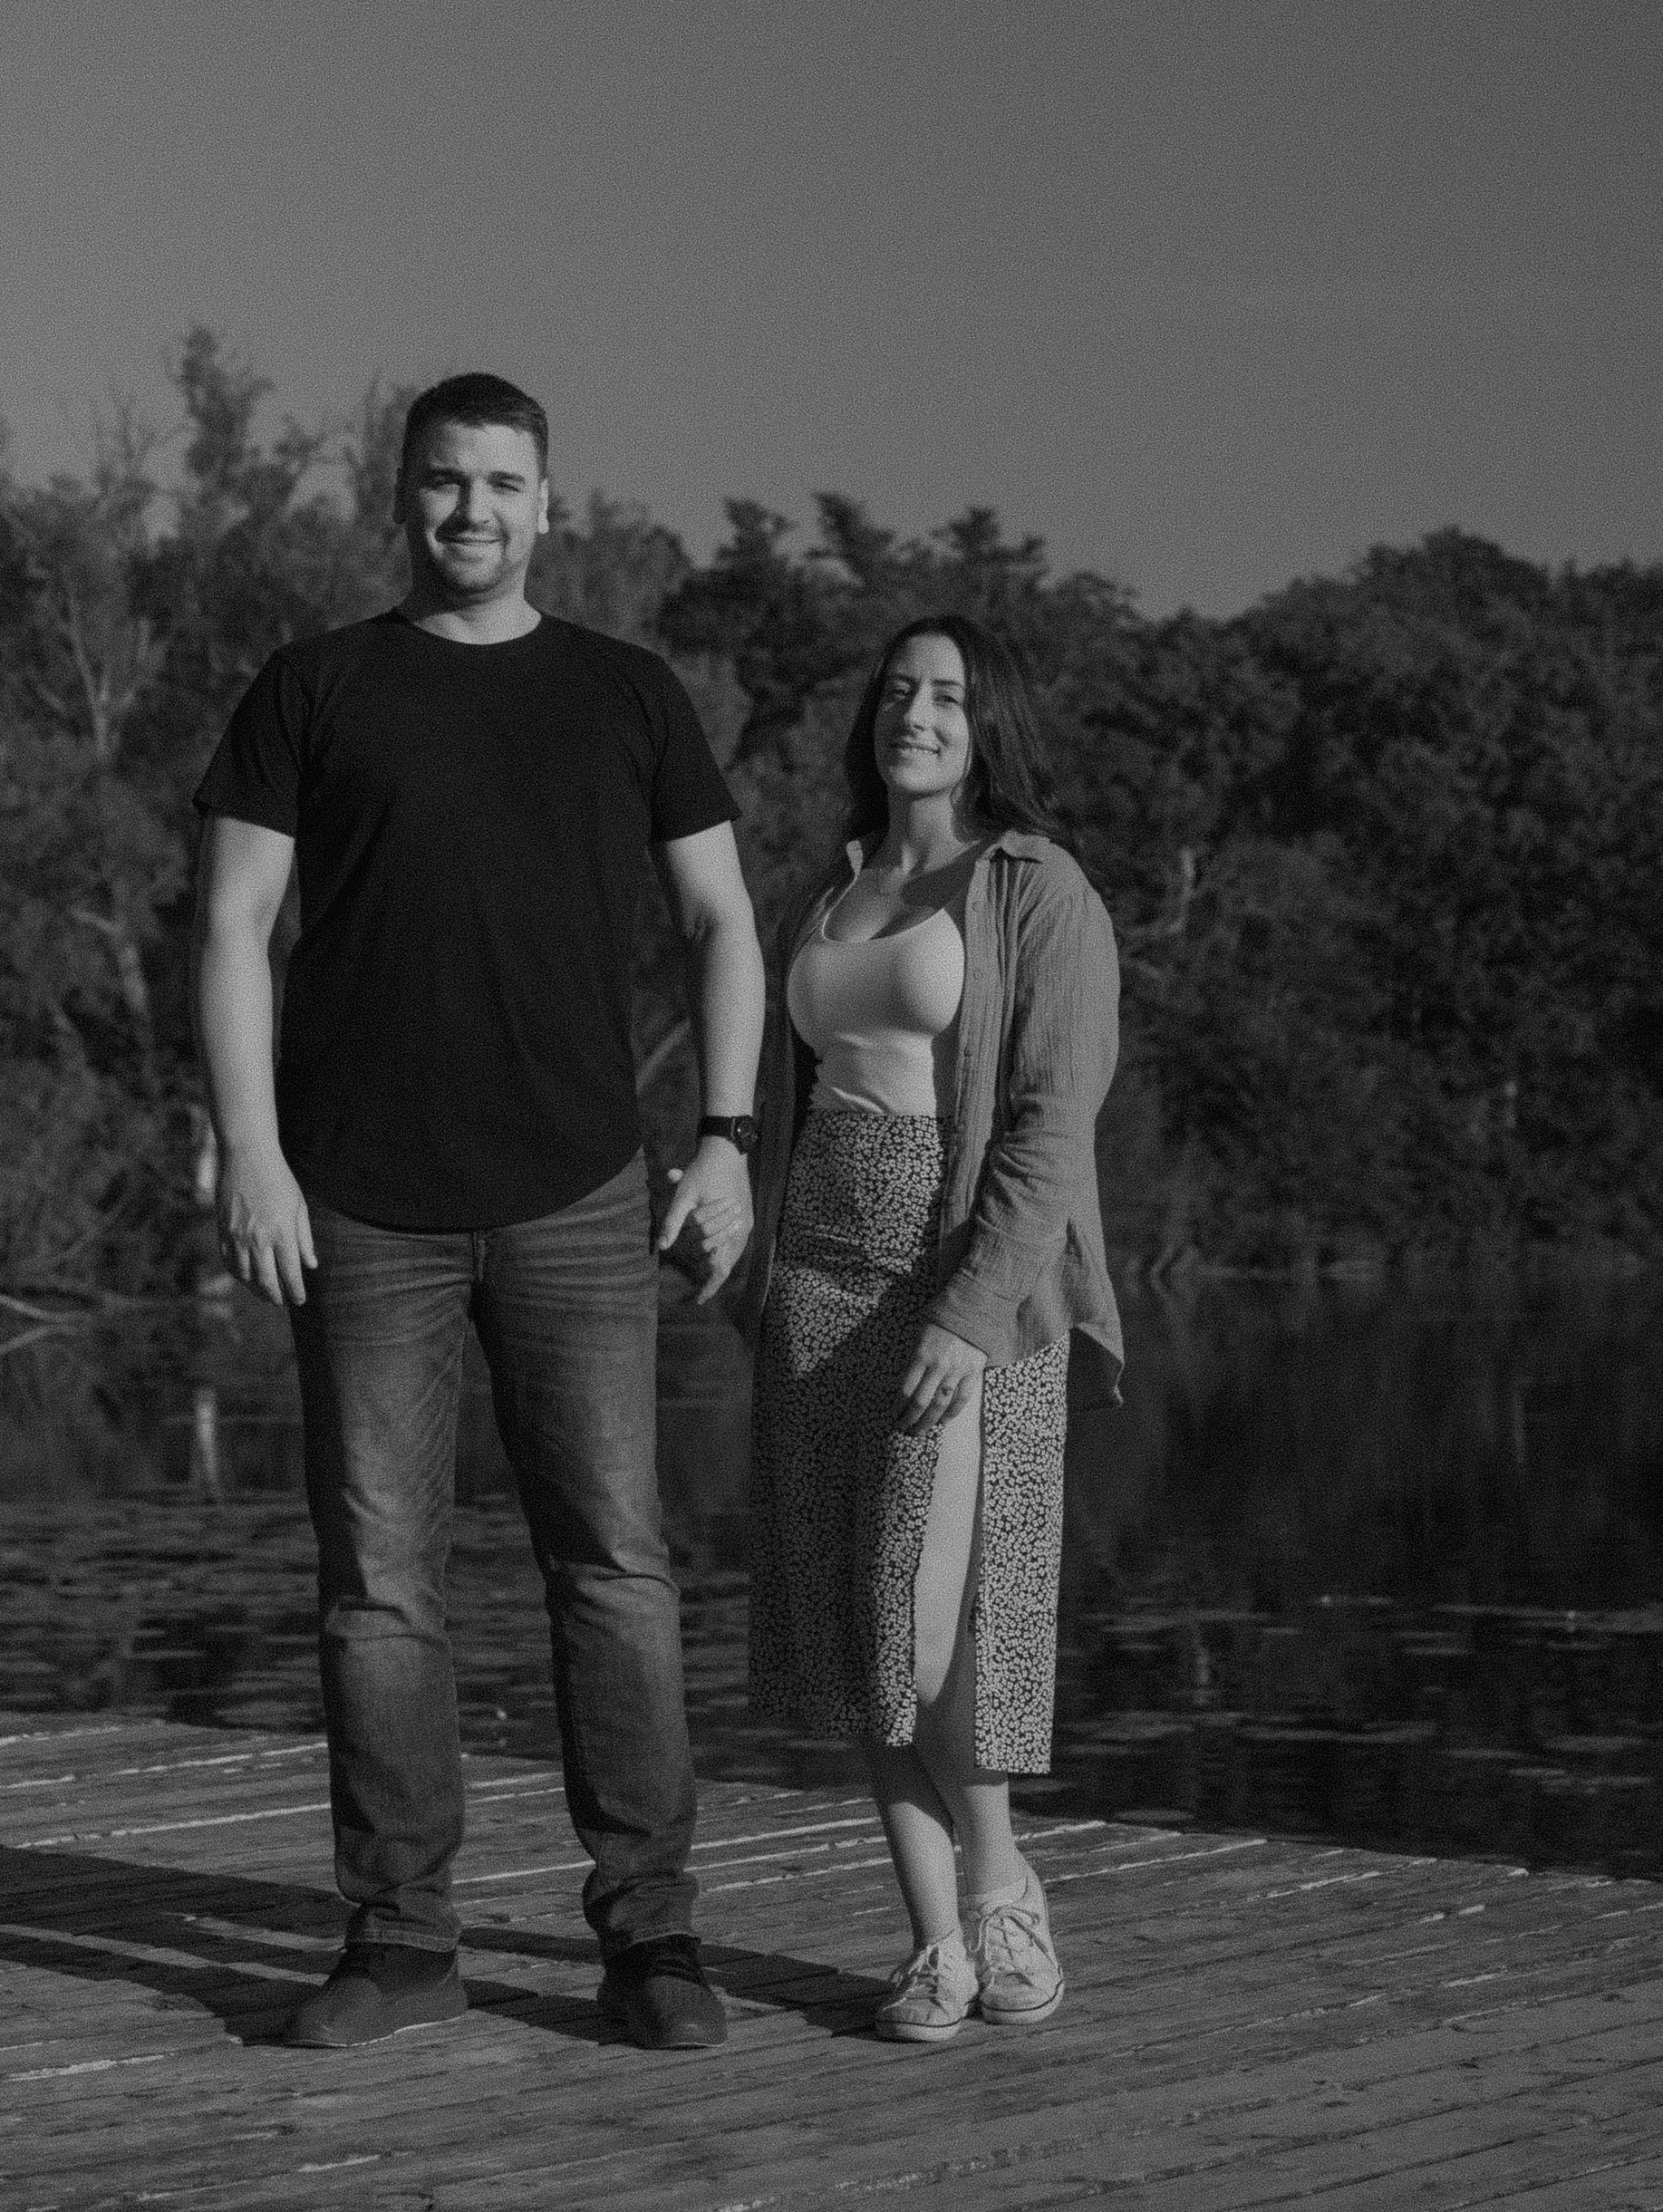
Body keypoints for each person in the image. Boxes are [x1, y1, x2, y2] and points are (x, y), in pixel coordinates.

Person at [191, 372, 765, 2051]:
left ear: (546, 501)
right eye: (445, 483)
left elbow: (727, 920)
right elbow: (234, 924)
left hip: (581, 1192)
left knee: (620, 1569)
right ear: (402, 494)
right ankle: (400, 1937)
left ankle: (652, 1939)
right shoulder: (316, 688)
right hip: (358, 1200)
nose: (473, 513)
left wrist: (726, 1137)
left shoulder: (627, 694)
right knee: (379, 1582)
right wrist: (253, 1149)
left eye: (503, 485)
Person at [739, 612, 1121, 2042]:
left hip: (957, 1272)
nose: (917, 712)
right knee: (856, 1627)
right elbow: (794, 1087)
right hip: (819, 1276)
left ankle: (1003, 1877)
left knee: (926, 1614)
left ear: (988, 723)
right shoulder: (831, 889)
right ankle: (932, 1943)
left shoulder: (1034, 889)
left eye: (949, 696)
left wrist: (969, 1311)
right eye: (899, 690)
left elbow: (1050, 1125)